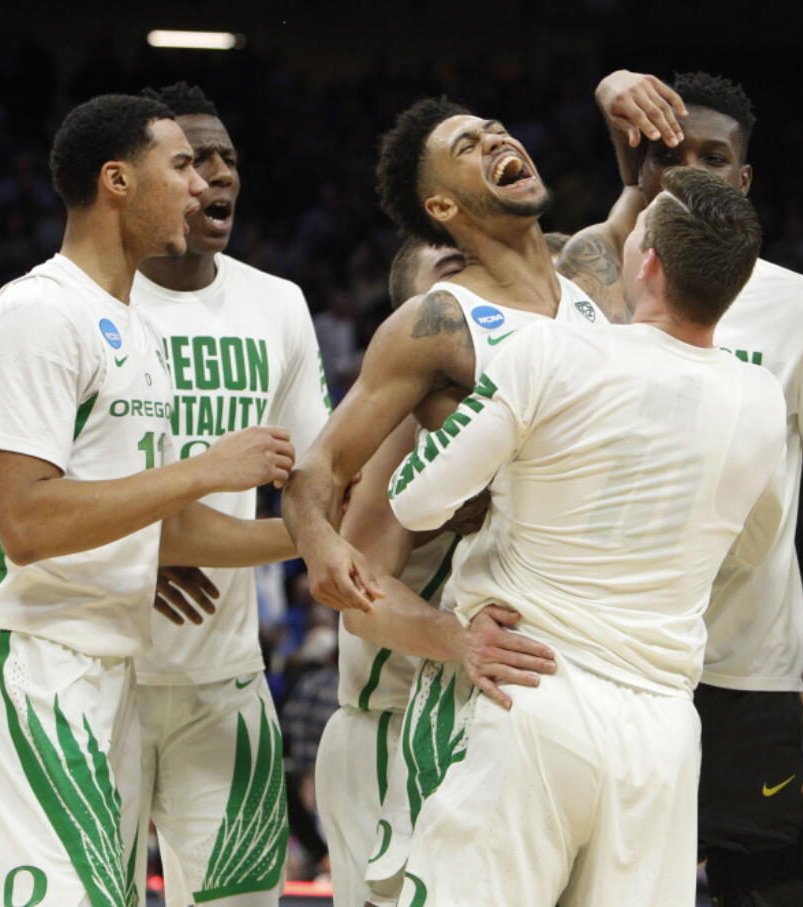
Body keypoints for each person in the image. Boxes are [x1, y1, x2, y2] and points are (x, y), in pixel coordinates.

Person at [282, 81, 684, 904]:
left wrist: (611, 91)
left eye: (497, 129)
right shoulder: (439, 325)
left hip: (603, 680)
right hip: (456, 698)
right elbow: (322, 488)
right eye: (468, 144)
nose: (496, 139)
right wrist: (430, 620)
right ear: (442, 205)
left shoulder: (590, 283)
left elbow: (648, 191)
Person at [0, 93, 300, 907]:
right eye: (180, 165)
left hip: (106, 664)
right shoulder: (37, 313)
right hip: (21, 653)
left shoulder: (133, 329)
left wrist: (313, 539)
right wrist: (204, 468)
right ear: (117, 182)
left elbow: (164, 525)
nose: (202, 185)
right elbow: (26, 521)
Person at [387, 166, 787, 906]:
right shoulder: (763, 399)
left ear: (650, 264)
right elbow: (754, 549)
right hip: (662, 732)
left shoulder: (552, 350)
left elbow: (415, 502)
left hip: (535, 693)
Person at [591, 69, 803, 907]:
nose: (691, 169)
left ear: (744, 179)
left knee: (769, 888)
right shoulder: (588, 286)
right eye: (669, 154)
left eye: (714, 157)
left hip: (748, 672)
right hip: (611, 657)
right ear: (640, 167)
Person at [128, 81, 333, 907]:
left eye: (228, 159)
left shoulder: (276, 303)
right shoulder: (84, 302)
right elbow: (36, 495)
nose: (218, 176)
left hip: (227, 673)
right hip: (100, 663)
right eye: (192, 160)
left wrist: (319, 535)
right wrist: (142, 545)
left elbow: (315, 479)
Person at [314, 235, 469, 907]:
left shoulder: (529, 387)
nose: (467, 301)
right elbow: (359, 592)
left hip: (480, 730)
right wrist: (464, 640)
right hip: (394, 728)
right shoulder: (404, 417)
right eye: (450, 278)